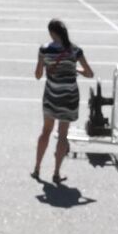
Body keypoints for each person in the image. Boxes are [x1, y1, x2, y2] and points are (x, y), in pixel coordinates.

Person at [33, 19, 93, 182]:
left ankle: (37, 168)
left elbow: (38, 75)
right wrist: (75, 69)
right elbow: (89, 73)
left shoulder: (44, 50)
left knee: (46, 131)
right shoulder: (75, 50)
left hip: (51, 95)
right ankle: (56, 172)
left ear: (52, 33)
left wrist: (45, 65)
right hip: (69, 97)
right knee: (62, 135)